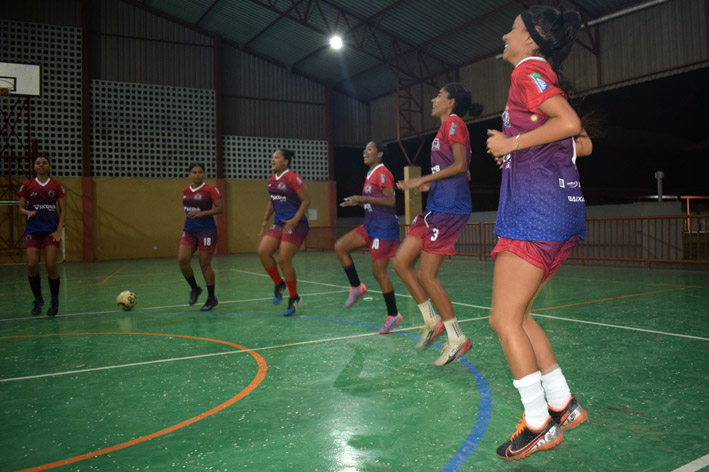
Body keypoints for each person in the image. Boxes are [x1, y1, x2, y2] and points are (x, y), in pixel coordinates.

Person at [485, 6, 591, 461]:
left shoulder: (528, 71)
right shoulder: (539, 73)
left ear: (530, 40)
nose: (506, 34)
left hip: (535, 216)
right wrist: (518, 151)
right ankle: (563, 404)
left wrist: (510, 145)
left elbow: (568, 124)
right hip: (560, 216)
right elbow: (582, 142)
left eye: (513, 28)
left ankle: (537, 424)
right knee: (522, 316)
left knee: (503, 320)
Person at [393, 83, 482, 366]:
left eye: (439, 96)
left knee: (427, 276)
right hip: (436, 206)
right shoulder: (445, 129)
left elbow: (460, 168)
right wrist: (429, 188)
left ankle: (457, 337)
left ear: (451, 102)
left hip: (449, 210)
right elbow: (462, 176)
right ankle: (432, 321)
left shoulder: (454, 123)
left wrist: (422, 180)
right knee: (401, 262)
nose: (433, 99)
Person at [335, 141, 402, 334]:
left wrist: (362, 198)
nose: (365, 151)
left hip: (384, 229)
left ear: (380, 154)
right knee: (340, 247)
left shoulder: (383, 173)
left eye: (370, 149)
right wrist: (356, 203)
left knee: (379, 273)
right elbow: (374, 204)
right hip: (370, 225)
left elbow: (390, 201)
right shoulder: (370, 174)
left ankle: (393, 315)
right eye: (365, 148)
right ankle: (356, 287)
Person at [258, 149, 310, 316]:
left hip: (297, 224)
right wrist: (265, 219)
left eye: (277, 157)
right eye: (272, 157)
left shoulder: (293, 177)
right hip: (279, 223)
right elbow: (272, 202)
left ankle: (293, 297)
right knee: (263, 252)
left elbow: (306, 200)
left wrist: (295, 220)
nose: (273, 159)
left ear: (285, 161)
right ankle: (279, 284)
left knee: (283, 259)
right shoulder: (272, 180)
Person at [18, 156, 66, 317]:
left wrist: (59, 230)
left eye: (44, 163)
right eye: (38, 163)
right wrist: (28, 212)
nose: (41, 165)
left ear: (49, 166)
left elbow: (63, 210)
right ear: (34, 166)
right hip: (33, 230)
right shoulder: (28, 185)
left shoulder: (56, 186)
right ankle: (38, 299)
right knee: (32, 264)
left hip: (51, 230)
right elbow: (20, 208)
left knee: (51, 264)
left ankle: (54, 301)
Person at [178, 163, 223, 311]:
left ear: (204, 174)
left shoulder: (210, 189)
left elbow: (220, 208)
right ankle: (195, 288)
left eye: (200, 172)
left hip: (206, 231)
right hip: (190, 229)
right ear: (190, 174)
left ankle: (211, 298)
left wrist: (201, 214)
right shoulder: (186, 190)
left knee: (204, 264)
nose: (197, 174)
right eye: (194, 172)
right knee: (182, 260)